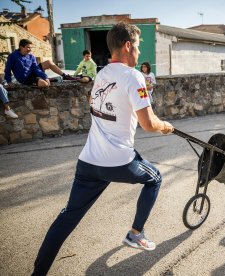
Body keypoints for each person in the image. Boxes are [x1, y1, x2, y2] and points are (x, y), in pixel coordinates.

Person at [32, 22, 174, 276]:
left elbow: (95, 102)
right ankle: (136, 233)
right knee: (155, 179)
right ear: (128, 46)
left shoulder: (102, 74)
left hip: (88, 163)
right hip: (119, 162)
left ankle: (37, 273)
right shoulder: (134, 76)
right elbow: (149, 124)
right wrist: (165, 125)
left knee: (66, 219)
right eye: (138, 47)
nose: (139, 53)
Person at [4, 39, 76, 88]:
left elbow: (36, 69)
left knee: (49, 62)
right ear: (21, 47)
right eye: (28, 47)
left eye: (30, 48)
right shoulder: (13, 56)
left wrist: (45, 77)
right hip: (25, 79)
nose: (30, 49)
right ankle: (43, 80)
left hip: (33, 73)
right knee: (45, 84)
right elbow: (7, 70)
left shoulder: (31, 56)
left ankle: (64, 76)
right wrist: (9, 82)